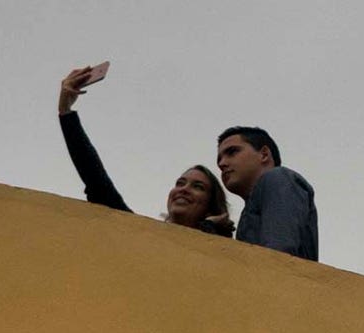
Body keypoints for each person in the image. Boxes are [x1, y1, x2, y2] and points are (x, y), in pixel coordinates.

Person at [58, 66, 234, 236]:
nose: (184, 189)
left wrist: (208, 227)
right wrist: (66, 112)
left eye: (198, 187)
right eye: (180, 183)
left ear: (211, 208)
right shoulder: (139, 235)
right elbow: (96, 180)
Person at [216, 126, 318, 261]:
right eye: (219, 160)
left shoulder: (277, 178)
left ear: (264, 154)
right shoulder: (249, 210)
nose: (222, 164)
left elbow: (278, 255)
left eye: (232, 152)